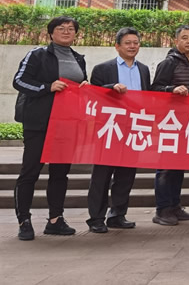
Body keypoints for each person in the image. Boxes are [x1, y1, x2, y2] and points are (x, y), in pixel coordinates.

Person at [13, 16, 88, 241]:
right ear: (51, 32)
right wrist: (48, 87)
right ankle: (24, 220)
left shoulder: (78, 58)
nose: (66, 32)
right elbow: (19, 81)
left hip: (66, 124)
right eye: (61, 28)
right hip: (39, 123)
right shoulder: (37, 54)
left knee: (60, 173)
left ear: (76, 34)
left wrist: (84, 87)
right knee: (30, 172)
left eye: (71, 29)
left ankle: (55, 220)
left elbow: (79, 85)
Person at [86, 27, 150, 233]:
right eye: (127, 43)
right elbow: (94, 95)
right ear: (117, 46)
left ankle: (117, 214)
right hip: (109, 128)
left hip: (133, 128)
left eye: (135, 43)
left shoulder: (143, 70)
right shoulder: (102, 68)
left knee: (126, 175)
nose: (132, 46)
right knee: (102, 176)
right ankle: (96, 218)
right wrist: (111, 87)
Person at [150, 25, 189, 226]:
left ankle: (175, 206)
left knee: (179, 166)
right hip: (171, 124)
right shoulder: (168, 63)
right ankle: (162, 209)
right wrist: (172, 89)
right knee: (166, 168)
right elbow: (154, 89)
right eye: (185, 38)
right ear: (176, 41)